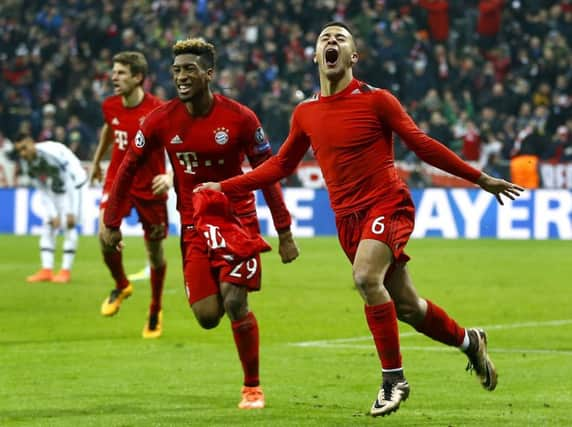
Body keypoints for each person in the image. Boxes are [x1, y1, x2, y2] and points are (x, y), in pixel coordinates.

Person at [196, 22, 524, 417]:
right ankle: (470, 341)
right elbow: (281, 164)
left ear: (353, 57)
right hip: (347, 221)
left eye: (340, 38)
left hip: (387, 202)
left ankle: (393, 380)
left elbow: (420, 144)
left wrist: (479, 177)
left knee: (366, 278)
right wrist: (226, 187)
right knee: (408, 306)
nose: (330, 41)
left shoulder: (377, 100)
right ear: (316, 57)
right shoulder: (305, 113)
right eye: (323, 38)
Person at [101, 38, 299, 409]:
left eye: (189, 69)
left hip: (238, 221)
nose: (180, 77)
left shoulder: (241, 118)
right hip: (193, 226)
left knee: (235, 301)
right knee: (208, 317)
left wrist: (284, 231)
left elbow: (268, 173)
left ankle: (252, 387)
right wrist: (111, 221)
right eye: (176, 70)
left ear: (209, 73)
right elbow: (128, 167)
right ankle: (225, 298)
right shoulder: (159, 120)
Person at [90, 51, 170, 339]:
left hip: (150, 185)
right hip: (118, 180)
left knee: (155, 253)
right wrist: (98, 160)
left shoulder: (158, 110)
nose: (114, 77)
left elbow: (177, 141)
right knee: (104, 235)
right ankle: (122, 284)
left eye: (121, 73)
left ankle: (155, 307)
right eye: (114, 72)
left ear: (138, 78)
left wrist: (170, 175)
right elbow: (109, 131)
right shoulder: (110, 106)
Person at [14, 134, 87, 284]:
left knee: (69, 225)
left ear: (31, 143)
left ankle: (65, 271)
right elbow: (41, 188)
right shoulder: (27, 163)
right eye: (19, 151)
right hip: (55, 187)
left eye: (24, 148)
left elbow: (70, 178)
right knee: (48, 225)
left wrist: (71, 211)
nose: (22, 153)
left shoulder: (50, 154)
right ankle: (46, 270)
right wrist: (52, 213)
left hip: (76, 184)